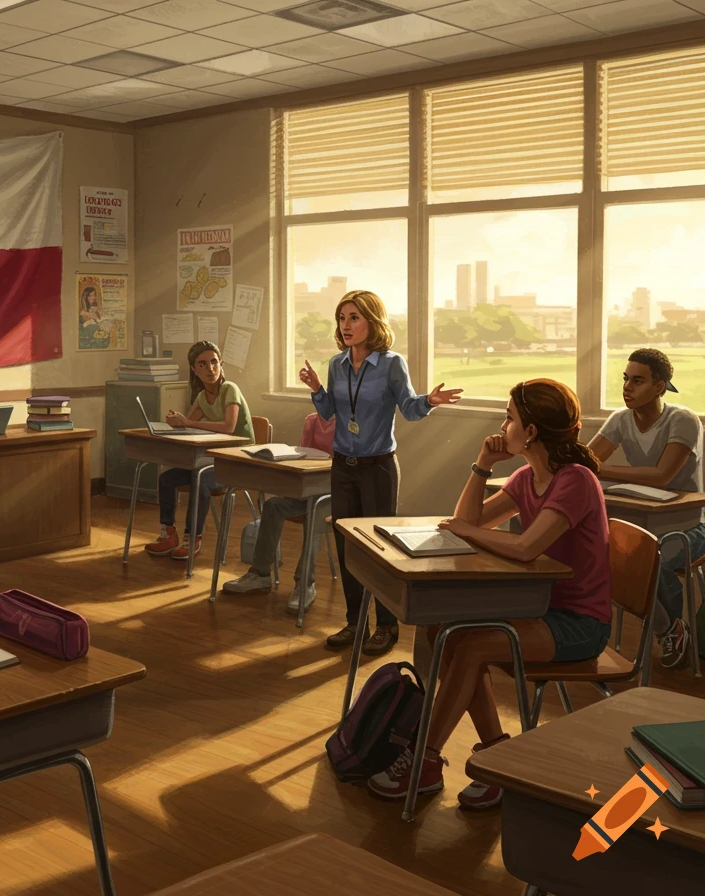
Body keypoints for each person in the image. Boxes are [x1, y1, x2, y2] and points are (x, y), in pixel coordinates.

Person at [367, 379, 611, 810]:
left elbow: (525, 547)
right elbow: (466, 521)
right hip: (536, 609)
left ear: (531, 431)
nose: (503, 425)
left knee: (473, 645)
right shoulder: (527, 476)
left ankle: (425, 759)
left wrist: (468, 530)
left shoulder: (576, 481)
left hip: (578, 624)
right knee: (444, 629)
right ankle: (497, 751)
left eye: (510, 417)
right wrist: (482, 464)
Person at [299, 290, 461, 656]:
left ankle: (387, 626)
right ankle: (356, 622)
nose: (346, 325)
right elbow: (329, 413)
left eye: (354, 317)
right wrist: (317, 390)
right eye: (342, 318)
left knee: (380, 548)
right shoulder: (337, 364)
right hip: (343, 466)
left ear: (372, 320)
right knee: (347, 546)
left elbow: (409, 408)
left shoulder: (391, 363)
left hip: (378, 468)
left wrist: (430, 401)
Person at [588, 348, 703, 669]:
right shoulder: (620, 420)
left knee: (654, 557)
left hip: (692, 524)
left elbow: (662, 476)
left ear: (660, 386)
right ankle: (671, 628)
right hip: (647, 520)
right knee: (605, 554)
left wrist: (603, 469)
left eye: (637, 381)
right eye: (626, 379)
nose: (627, 387)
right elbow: (584, 462)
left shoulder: (682, 419)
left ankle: (673, 628)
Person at [144, 340, 254, 561]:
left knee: (200, 480)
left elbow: (228, 427)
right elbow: (186, 424)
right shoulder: (202, 397)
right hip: (215, 461)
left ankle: (192, 537)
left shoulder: (229, 388)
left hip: (240, 462)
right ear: (194, 370)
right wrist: (176, 422)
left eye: (214, 362)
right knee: (166, 478)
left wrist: (188, 423)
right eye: (202, 364)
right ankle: (169, 534)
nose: (210, 368)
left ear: (221, 364)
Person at [221, 413, 335, 612]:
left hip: (332, 492)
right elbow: (303, 453)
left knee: (314, 513)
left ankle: (305, 582)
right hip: (309, 487)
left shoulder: (349, 419)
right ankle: (260, 574)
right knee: (274, 505)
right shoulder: (311, 420)